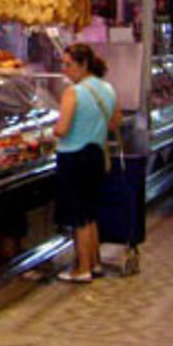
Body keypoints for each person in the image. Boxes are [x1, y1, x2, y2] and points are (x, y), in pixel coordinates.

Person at [54, 43, 122, 283]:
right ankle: (95, 264)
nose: (65, 70)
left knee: (78, 217)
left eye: (69, 64)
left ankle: (81, 269)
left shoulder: (74, 92)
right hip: (96, 155)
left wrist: (51, 130)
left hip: (74, 157)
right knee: (91, 214)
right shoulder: (107, 88)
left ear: (83, 65)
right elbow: (115, 123)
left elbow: (62, 128)